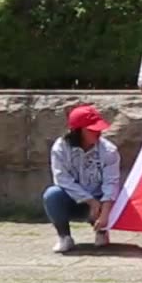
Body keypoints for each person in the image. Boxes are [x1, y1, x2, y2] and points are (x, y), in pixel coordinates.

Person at [44, 104, 120, 253]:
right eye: (91, 130)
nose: (97, 133)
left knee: (116, 194)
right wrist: (89, 201)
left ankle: (101, 231)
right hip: (73, 199)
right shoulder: (60, 148)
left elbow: (111, 182)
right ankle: (64, 237)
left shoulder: (109, 150)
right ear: (78, 131)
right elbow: (62, 179)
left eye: (98, 129)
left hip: (100, 199)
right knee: (52, 194)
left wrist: (104, 213)